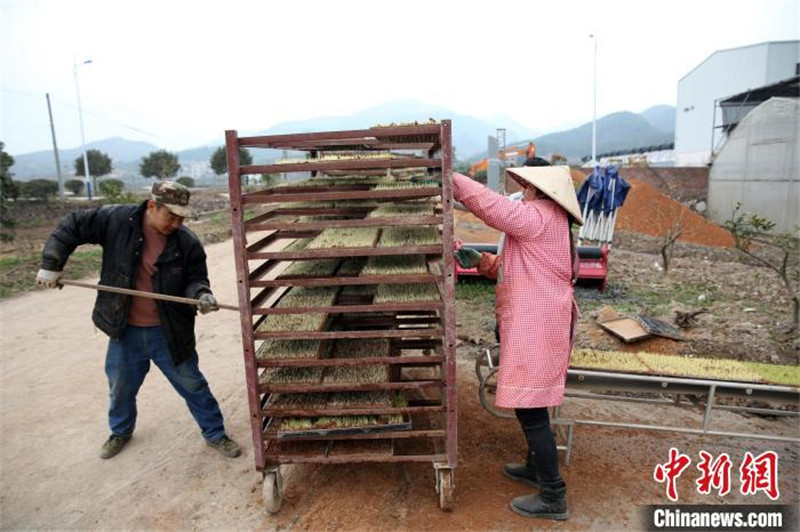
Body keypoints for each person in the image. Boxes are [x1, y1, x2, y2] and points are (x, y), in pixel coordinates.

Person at [36, 181, 241, 460]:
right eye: (171, 216)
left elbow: (195, 280)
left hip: (169, 333)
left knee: (193, 384)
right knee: (120, 386)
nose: (177, 223)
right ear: (152, 206)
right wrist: (51, 264)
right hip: (125, 330)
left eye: (181, 218)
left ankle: (215, 434)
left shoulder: (187, 243)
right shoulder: (117, 221)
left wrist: (201, 294)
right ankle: (120, 432)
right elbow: (71, 226)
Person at [453, 166, 582, 521]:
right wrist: (482, 262)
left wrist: (451, 180)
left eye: (526, 187)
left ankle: (553, 495)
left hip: (538, 325)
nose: (522, 192)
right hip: (540, 323)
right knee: (534, 403)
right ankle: (536, 468)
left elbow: (493, 208)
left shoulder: (541, 215)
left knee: (532, 410)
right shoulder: (549, 220)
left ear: (540, 191)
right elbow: (519, 266)